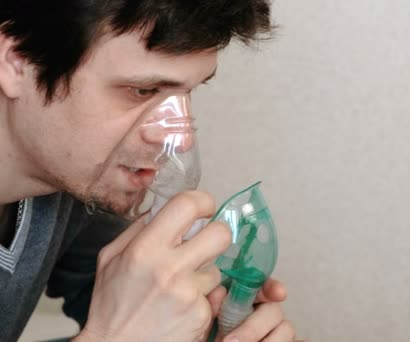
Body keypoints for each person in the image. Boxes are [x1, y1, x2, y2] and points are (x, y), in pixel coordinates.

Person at [0, 1, 299, 341]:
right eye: (142, 91)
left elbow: (108, 286)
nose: (180, 138)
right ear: (16, 61)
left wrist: (201, 317)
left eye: (187, 92)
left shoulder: (71, 186)